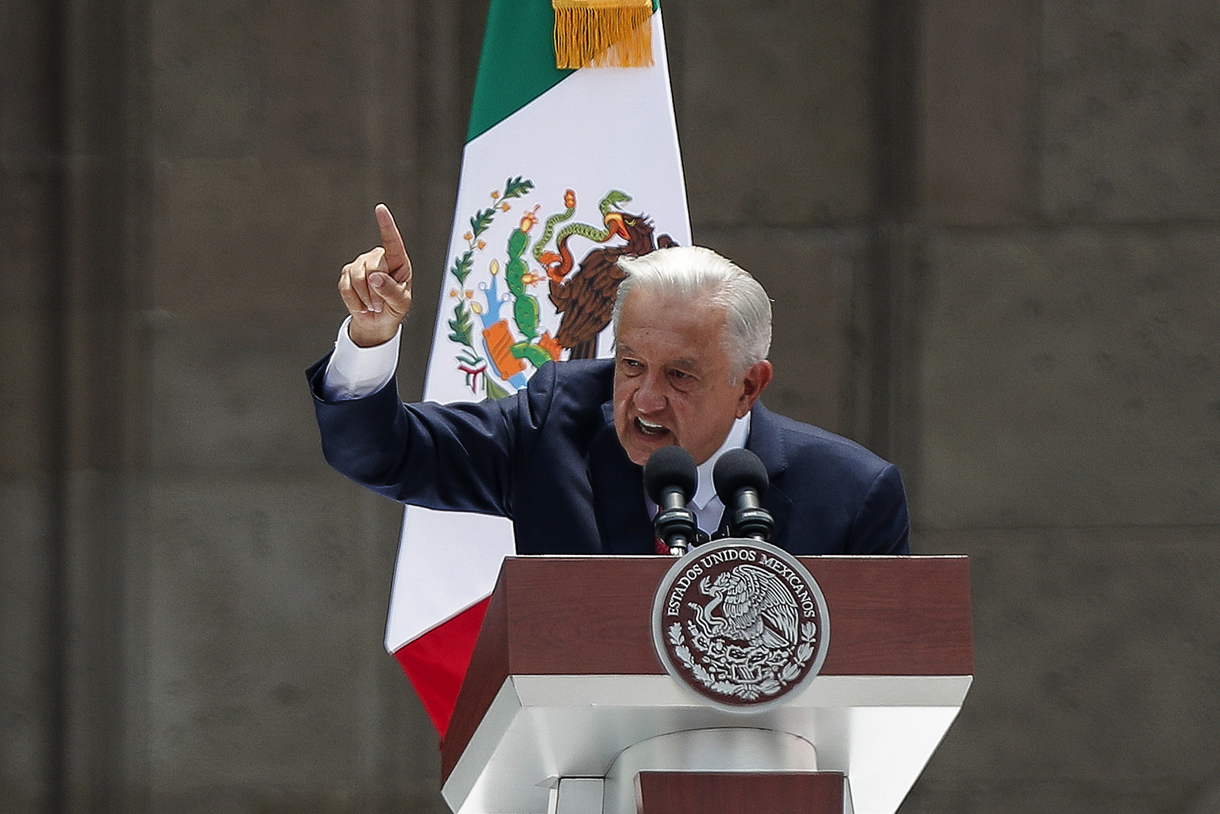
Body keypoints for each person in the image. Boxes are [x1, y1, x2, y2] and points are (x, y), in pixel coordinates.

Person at [307, 204, 910, 555]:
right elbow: (381, 453)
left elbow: (889, 688)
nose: (645, 399)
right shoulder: (556, 427)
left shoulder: (851, 496)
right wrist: (371, 335)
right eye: (630, 365)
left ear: (749, 386)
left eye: (679, 375)